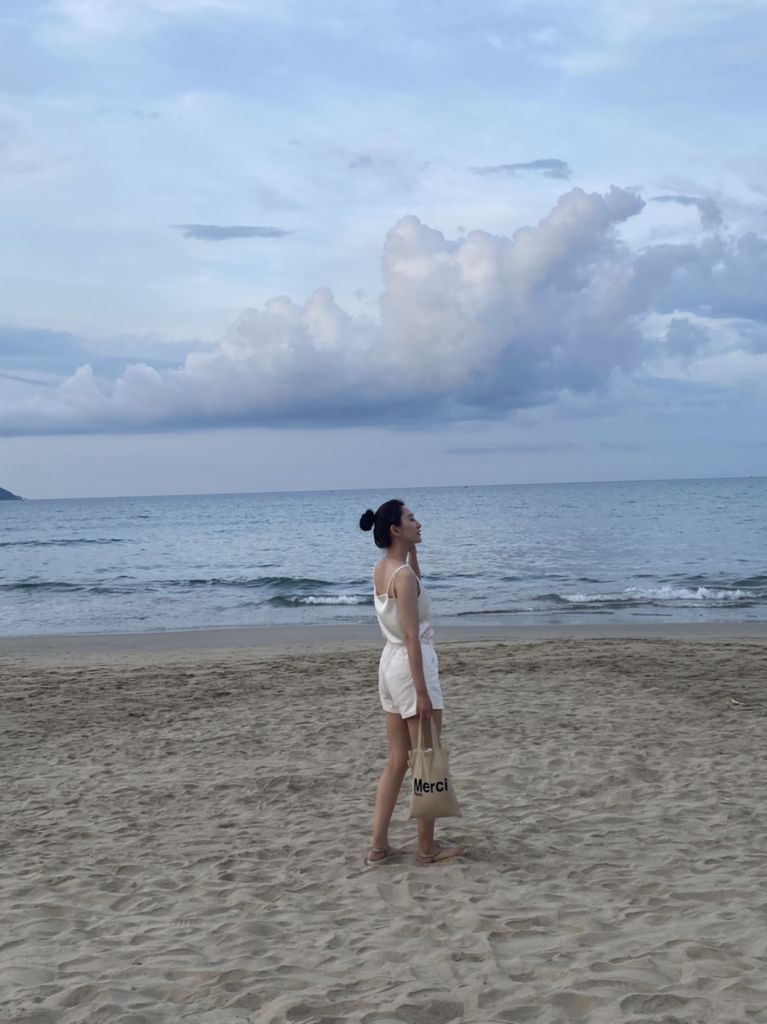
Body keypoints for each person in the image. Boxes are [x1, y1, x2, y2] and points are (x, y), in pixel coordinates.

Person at [359, 499, 466, 867]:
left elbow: (414, 587)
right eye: (411, 518)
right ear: (395, 529)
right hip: (409, 666)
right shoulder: (402, 576)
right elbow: (411, 635)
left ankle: (379, 845)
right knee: (426, 758)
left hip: (390, 666)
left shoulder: (384, 568)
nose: (418, 523)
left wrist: (412, 551)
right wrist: (421, 691)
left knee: (397, 760)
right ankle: (426, 849)